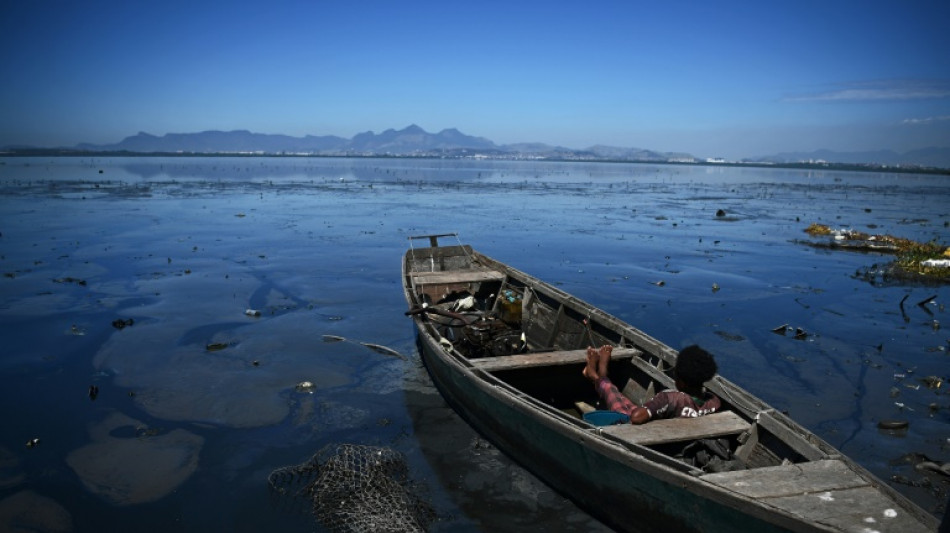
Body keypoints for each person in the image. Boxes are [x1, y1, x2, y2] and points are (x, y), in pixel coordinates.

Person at [583, 344, 721, 424]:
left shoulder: (670, 399)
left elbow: (636, 418)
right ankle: (601, 375)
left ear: (682, 383)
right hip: (666, 427)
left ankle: (596, 376)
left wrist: (658, 404)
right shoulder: (714, 401)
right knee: (623, 400)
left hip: (642, 429)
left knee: (611, 393)